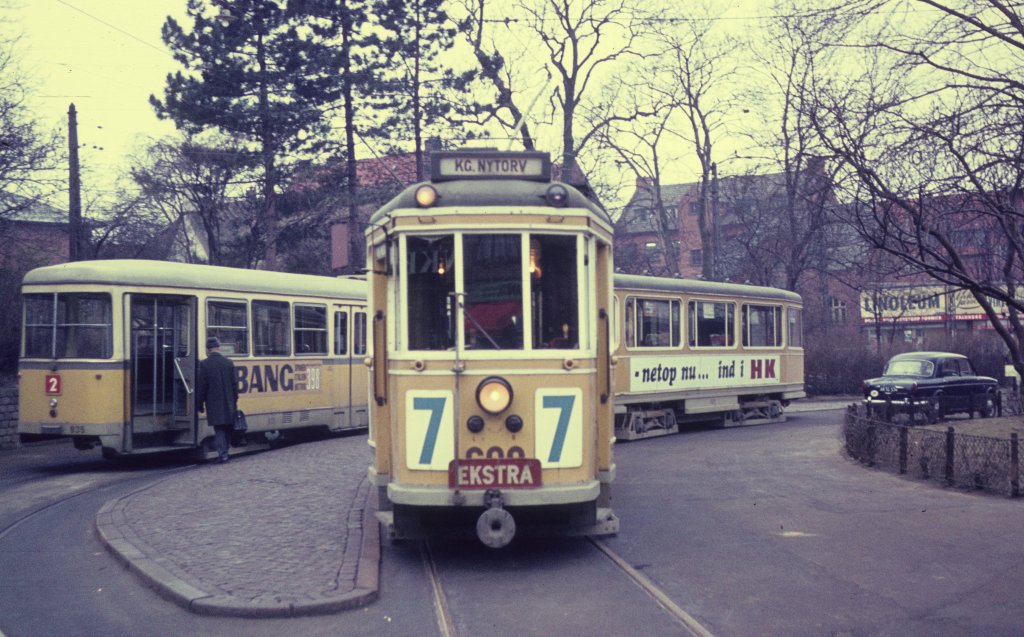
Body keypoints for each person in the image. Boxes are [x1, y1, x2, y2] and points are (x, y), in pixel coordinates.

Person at [196, 336, 239, 463]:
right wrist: (234, 400)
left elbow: (202, 386)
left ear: (208, 349)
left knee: (219, 428)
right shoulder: (228, 362)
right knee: (227, 427)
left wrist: (200, 404)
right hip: (229, 401)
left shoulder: (204, 364)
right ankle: (225, 451)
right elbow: (235, 384)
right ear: (219, 347)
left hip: (213, 402)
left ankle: (223, 455)